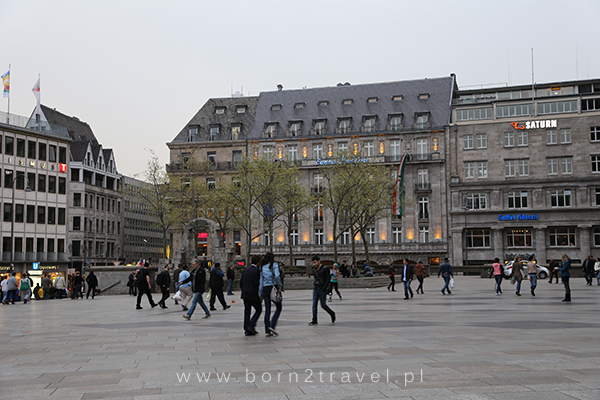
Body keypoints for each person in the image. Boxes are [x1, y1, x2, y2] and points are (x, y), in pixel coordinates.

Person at [259, 252, 282, 336]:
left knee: (267, 309)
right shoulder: (274, 265)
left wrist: (260, 292)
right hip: (273, 287)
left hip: (265, 288)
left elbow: (261, 281)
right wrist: (280, 285)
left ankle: (267, 330)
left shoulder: (262, 267)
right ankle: (272, 325)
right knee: (278, 307)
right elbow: (277, 275)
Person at [309, 256, 336, 326]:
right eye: (313, 263)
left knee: (323, 305)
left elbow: (328, 279)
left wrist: (325, 288)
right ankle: (314, 320)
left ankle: (332, 313)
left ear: (319, 261)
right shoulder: (315, 269)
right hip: (316, 288)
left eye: (315, 262)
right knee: (314, 305)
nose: (314, 264)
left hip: (322, 289)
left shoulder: (325, 268)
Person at [240, 255, 262, 335]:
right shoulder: (256, 271)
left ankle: (247, 329)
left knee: (247, 311)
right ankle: (251, 325)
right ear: (258, 263)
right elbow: (256, 283)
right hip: (253, 294)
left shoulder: (245, 270)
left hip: (245, 294)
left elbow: (241, 283)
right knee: (259, 309)